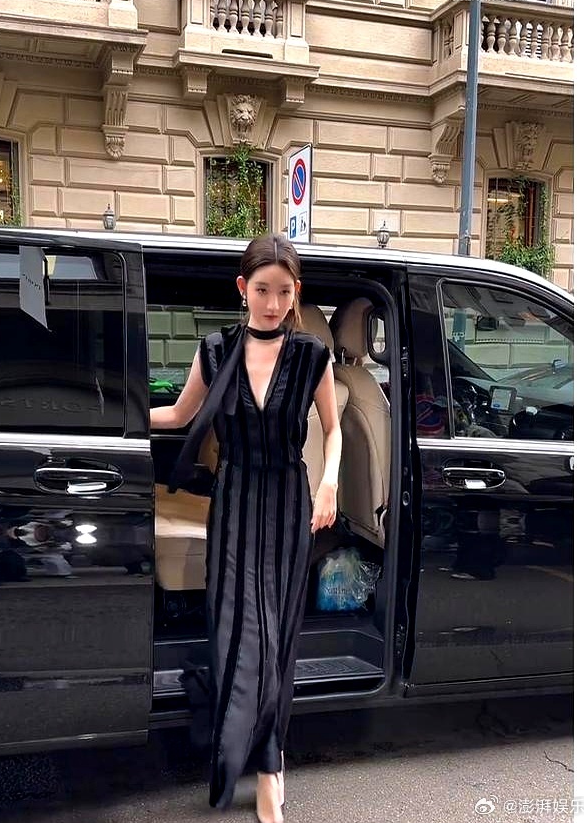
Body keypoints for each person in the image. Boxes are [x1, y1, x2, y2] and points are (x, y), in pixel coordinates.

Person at [150, 234, 342, 823]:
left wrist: (329, 483)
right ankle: (240, 756)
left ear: (296, 293)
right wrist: (108, 416)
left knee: (276, 639)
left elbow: (333, 429)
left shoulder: (312, 356)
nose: (273, 303)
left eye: (284, 291)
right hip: (234, 502)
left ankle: (269, 770)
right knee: (237, 633)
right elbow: (178, 415)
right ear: (242, 289)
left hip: (287, 501)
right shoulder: (216, 351)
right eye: (262, 290)